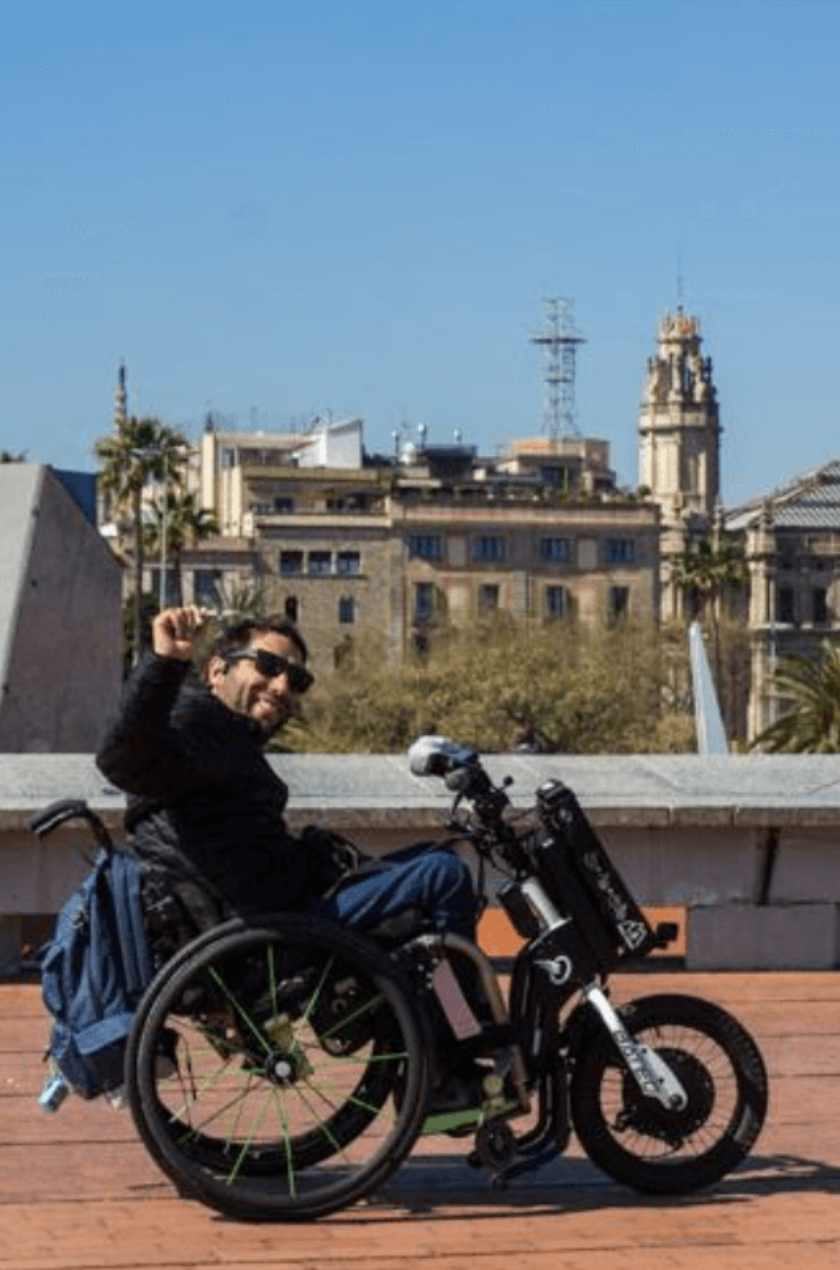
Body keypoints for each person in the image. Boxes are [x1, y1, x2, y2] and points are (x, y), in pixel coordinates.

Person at [96, 606, 483, 1106]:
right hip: (270, 937)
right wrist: (164, 663)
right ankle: (458, 1045)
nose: (282, 687)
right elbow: (121, 756)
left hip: (270, 917)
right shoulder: (197, 719)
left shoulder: (222, 737)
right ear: (217, 669)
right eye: (268, 667)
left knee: (422, 863)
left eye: (296, 678)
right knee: (444, 875)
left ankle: (441, 1037)